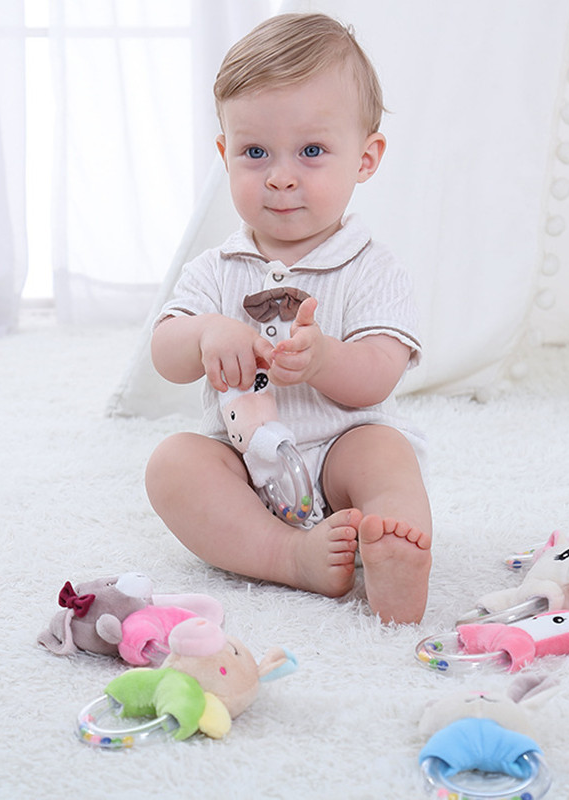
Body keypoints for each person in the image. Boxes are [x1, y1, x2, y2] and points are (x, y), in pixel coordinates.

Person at [145, 12, 432, 624]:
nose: (279, 177)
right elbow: (164, 353)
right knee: (173, 465)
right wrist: (204, 333)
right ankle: (287, 555)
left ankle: (393, 549)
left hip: (341, 456)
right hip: (244, 467)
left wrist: (325, 359)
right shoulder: (216, 268)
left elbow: (378, 373)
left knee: (385, 453)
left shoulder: (371, 267)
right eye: (255, 152)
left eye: (311, 151)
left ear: (365, 158)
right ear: (224, 155)